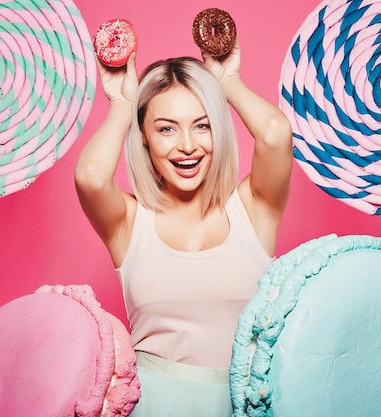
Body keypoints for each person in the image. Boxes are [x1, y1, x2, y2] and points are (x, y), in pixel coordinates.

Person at [75, 33, 292, 416]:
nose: (188, 145)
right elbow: (91, 177)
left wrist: (227, 83)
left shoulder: (253, 209)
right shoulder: (128, 222)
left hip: (243, 406)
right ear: (143, 136)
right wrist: (123, 105)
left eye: (202, 125)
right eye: (166, 128)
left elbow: (275, 134)